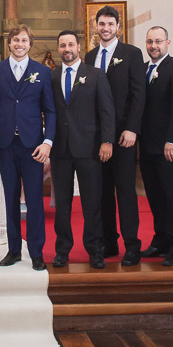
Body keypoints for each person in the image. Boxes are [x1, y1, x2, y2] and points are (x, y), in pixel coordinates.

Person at [0, 23, 56, 270]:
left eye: (24, 40)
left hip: (33, 145)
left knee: (34, 199)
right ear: (9, 44)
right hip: (5, 144)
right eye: (16, 40)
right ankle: (13, 250)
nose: (20, 44)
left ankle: (36, 252)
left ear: (30, 44)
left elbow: (50, 110)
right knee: (10, 198)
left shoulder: (41, 72)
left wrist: (47, 142)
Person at [83, 5, 146, 265]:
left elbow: (138, 94)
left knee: (125, 191)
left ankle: (132, 245)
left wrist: (132, 128)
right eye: (102, 24)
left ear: (118, 27)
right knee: (102, 192)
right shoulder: (89, 56)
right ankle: (109, 241)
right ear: (96, 26)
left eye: (111, 24)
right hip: (96, 137)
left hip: (123, 136)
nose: (106, 28)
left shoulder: (131, 54)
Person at [50, 30, 115, 269]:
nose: (66, 49)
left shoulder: (96, 75)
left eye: (70, 44)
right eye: (62, 45)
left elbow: (107, 110)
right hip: (60, 149)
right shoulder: (52, 76)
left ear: (79, 47)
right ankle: (62, 250)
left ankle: (95, 249)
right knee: (62, 204)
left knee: (92, 202)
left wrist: (107, 141)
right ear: (58, 49)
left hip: (90, 148)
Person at [138, 26, 173, 266]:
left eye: (158, 41)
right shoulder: (143, 69)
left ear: (167, 43)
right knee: (155, 196)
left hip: (170, 146)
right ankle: (161, 240)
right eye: (150, 42)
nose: (154, 46)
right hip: (148, 145)